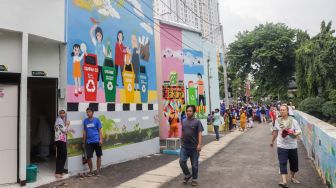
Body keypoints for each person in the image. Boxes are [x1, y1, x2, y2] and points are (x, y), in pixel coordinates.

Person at [270, 104, 302, 188]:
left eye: (283, 110)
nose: (282, 111)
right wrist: (272, 142)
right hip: (281, 146)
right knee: (282, 162)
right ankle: (284, 181)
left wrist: (294, 133)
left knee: (294, 164)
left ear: (287, 111)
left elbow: (299, 131)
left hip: (292, 146)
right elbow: (275, 132)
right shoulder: (277, 121)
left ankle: (292, 177)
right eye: (280, 109)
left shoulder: (293, 121)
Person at [180, 105, 204, 186]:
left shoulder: (197, 122)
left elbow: (200, 133)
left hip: (194, 148)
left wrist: (199, 144)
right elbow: (183, 131)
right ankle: (187, 175)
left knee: (194, 165)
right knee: (182, 161)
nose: (188, 112)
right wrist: (181, 139)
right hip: (185, 146)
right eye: (187, 111)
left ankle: (194, 179)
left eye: (190, 111)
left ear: (193, 112)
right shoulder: (183, 121)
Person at [83, 107, 103, 176]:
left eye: (89, 112)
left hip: (97, 141)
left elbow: (100, 131)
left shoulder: (97, 120)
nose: (88, 113)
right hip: (89, 142)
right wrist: (84, 141)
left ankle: (98, 170)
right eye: (87, 112)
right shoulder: (85, 121)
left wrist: (100, 140)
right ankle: (91, 171)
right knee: (88, 157)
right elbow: (85, 131)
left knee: (99, 156)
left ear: (92, 112)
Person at [54, 110, 70, 178]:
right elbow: (64, 130)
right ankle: (59, 172)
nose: (62, 114)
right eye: (61, 113)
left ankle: (58, 171)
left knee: (60, 155)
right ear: (59, 114)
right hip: (60, 140)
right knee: (63, 155)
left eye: (64, 113)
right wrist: (67, 124)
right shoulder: (59, 120)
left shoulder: (58, 120)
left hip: (59, 139)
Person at [90, 24, 106, 88]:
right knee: (97, 75)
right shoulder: (95, 42)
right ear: (96, 36)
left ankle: (103, 86)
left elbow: (106, 54)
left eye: (100, 35)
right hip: (97, 63)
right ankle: (97, 86)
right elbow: (90, 32)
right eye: (97, 35)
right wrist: (94, 26)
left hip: (102, 63)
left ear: (102, 36)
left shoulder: (103, 45)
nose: (99, 36)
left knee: (102, 75)